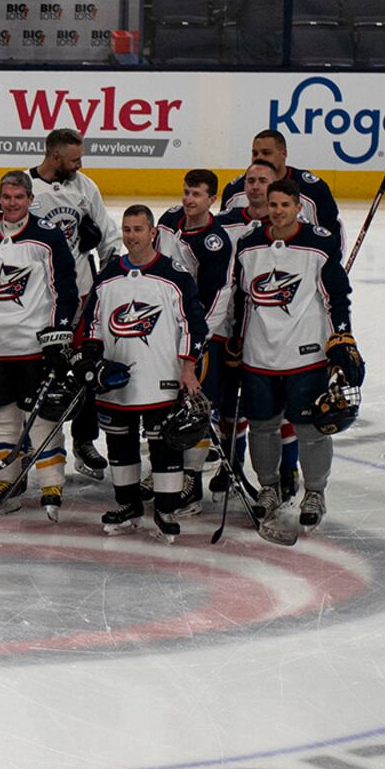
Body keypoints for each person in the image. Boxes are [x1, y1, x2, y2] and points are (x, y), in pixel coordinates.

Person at [229, 178, 358, 533]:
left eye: (286, 205)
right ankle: (269, 487)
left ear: (298, 206)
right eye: (273, 205)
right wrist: (235, 343)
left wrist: (342, 336)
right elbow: (241, 299)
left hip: (306, 354)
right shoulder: (249, 243)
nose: (278, 211)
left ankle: (315, 492)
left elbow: (336, 296)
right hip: (258, 354)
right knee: (262, 426)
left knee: (310, 428)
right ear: (266, 206)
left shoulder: (319, 243)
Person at [0, 170, 79, 519]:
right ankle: (5, 479)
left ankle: (51, 482)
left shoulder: (47, 237)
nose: (12, 204)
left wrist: (58, 337)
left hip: (33, 346)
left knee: (40, 418)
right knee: (3, 417)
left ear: (29, 199)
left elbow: (64, 290)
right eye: (6, 198)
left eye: (19, 198)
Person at [84, 205, 206, 543]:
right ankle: (128, 506)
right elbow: (92, 324)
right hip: (115, 383)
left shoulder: (174, 275)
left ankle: (165, 509)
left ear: (153, 232)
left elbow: (194, 325)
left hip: (161, 379)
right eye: (126, 229)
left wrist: (188, 366)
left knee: (165, 445)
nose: (131, 236)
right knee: (119, 445)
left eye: (138, 229)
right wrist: (91, 358)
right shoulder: (108, 276)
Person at [28, 128, 120, 482]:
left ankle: (84, 441)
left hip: (80, 295)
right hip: (36, 301)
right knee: (38, 372)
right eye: (74, 159)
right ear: (54, 159)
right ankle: (38, 443)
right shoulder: (26, 187)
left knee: (85, 368)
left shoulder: (85, 186)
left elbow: (109, 236)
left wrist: (109, 280)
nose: (80, 165)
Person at [213, 159, 300, 496]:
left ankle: (288, 469)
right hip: (228, 329)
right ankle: (231, 466)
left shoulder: (294, 230)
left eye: (262, 180)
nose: (254, 186)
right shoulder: (225, 224)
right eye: (249, 180)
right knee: (228, 404)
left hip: (274, 331)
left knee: (278, 406)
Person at [153, 170, 234, 512]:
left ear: (212, 199)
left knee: (196, 407)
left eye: (197, 194)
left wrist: (196, 340)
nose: (189, 200)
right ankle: (166, 471)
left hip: (198, 333)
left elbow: (219, 296)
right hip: (161, 329)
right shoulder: (169, 219)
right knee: (163, 400)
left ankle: (192, 479)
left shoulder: (215, 241)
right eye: (187, 192)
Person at [220, 129, 342, 238]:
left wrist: (334, 262)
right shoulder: (235, 190)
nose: (259, 158)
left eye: (266, 153)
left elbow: (331, 234)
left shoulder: (313, 189)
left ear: (284, 154)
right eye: (255, 153)